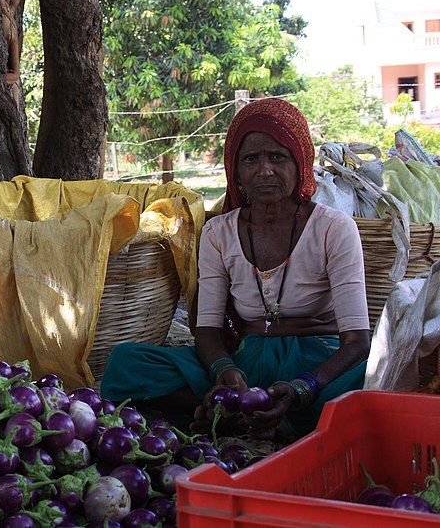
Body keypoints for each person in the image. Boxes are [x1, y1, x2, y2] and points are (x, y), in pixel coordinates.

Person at [100, 98, 370, 438]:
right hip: (247, 361)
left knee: (365, 380)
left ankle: (250, 414)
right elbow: (208, 327)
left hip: (316, 363)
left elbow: (357, 341)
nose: (264, 170)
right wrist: (224, 370)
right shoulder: (219, 232)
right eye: (251, 159)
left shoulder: (334, 228)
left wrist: (305, 387)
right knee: (127, 363)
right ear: (235, 171)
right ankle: (241, 413)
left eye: (277, 157)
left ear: (300, 163)